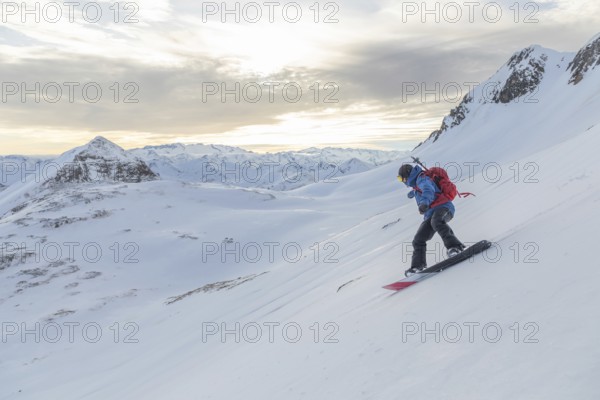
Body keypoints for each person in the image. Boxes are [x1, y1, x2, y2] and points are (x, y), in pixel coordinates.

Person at [398, 163, 465, 274]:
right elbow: (422, 188)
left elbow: (428, 190)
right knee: (418, 239)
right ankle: (417, 266)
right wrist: (412, 193)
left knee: (437, 221)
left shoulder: (422, 179)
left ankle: (455, 247)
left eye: (401, 178)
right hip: (430, 214)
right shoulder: (417, 184)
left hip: (444, 207)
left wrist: (424, 203)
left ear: (407, 176)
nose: (402, 181)